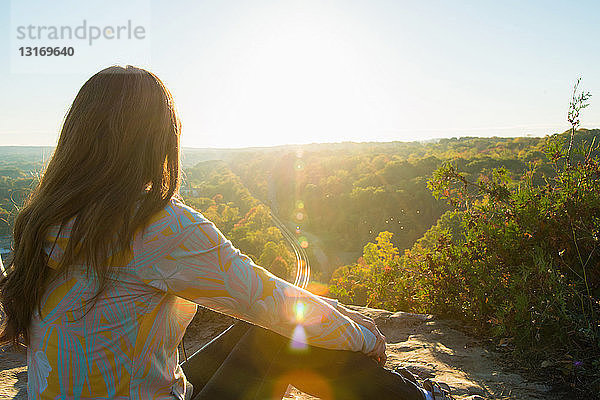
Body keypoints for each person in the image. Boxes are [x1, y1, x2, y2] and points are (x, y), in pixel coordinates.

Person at [0, 66, 453, 400]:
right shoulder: (155, 224)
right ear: (160, 139)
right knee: (280, 333)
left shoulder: (43, 218)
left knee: (268, 326)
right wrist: (363, 336)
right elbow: (271, 303)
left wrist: (328, 310)